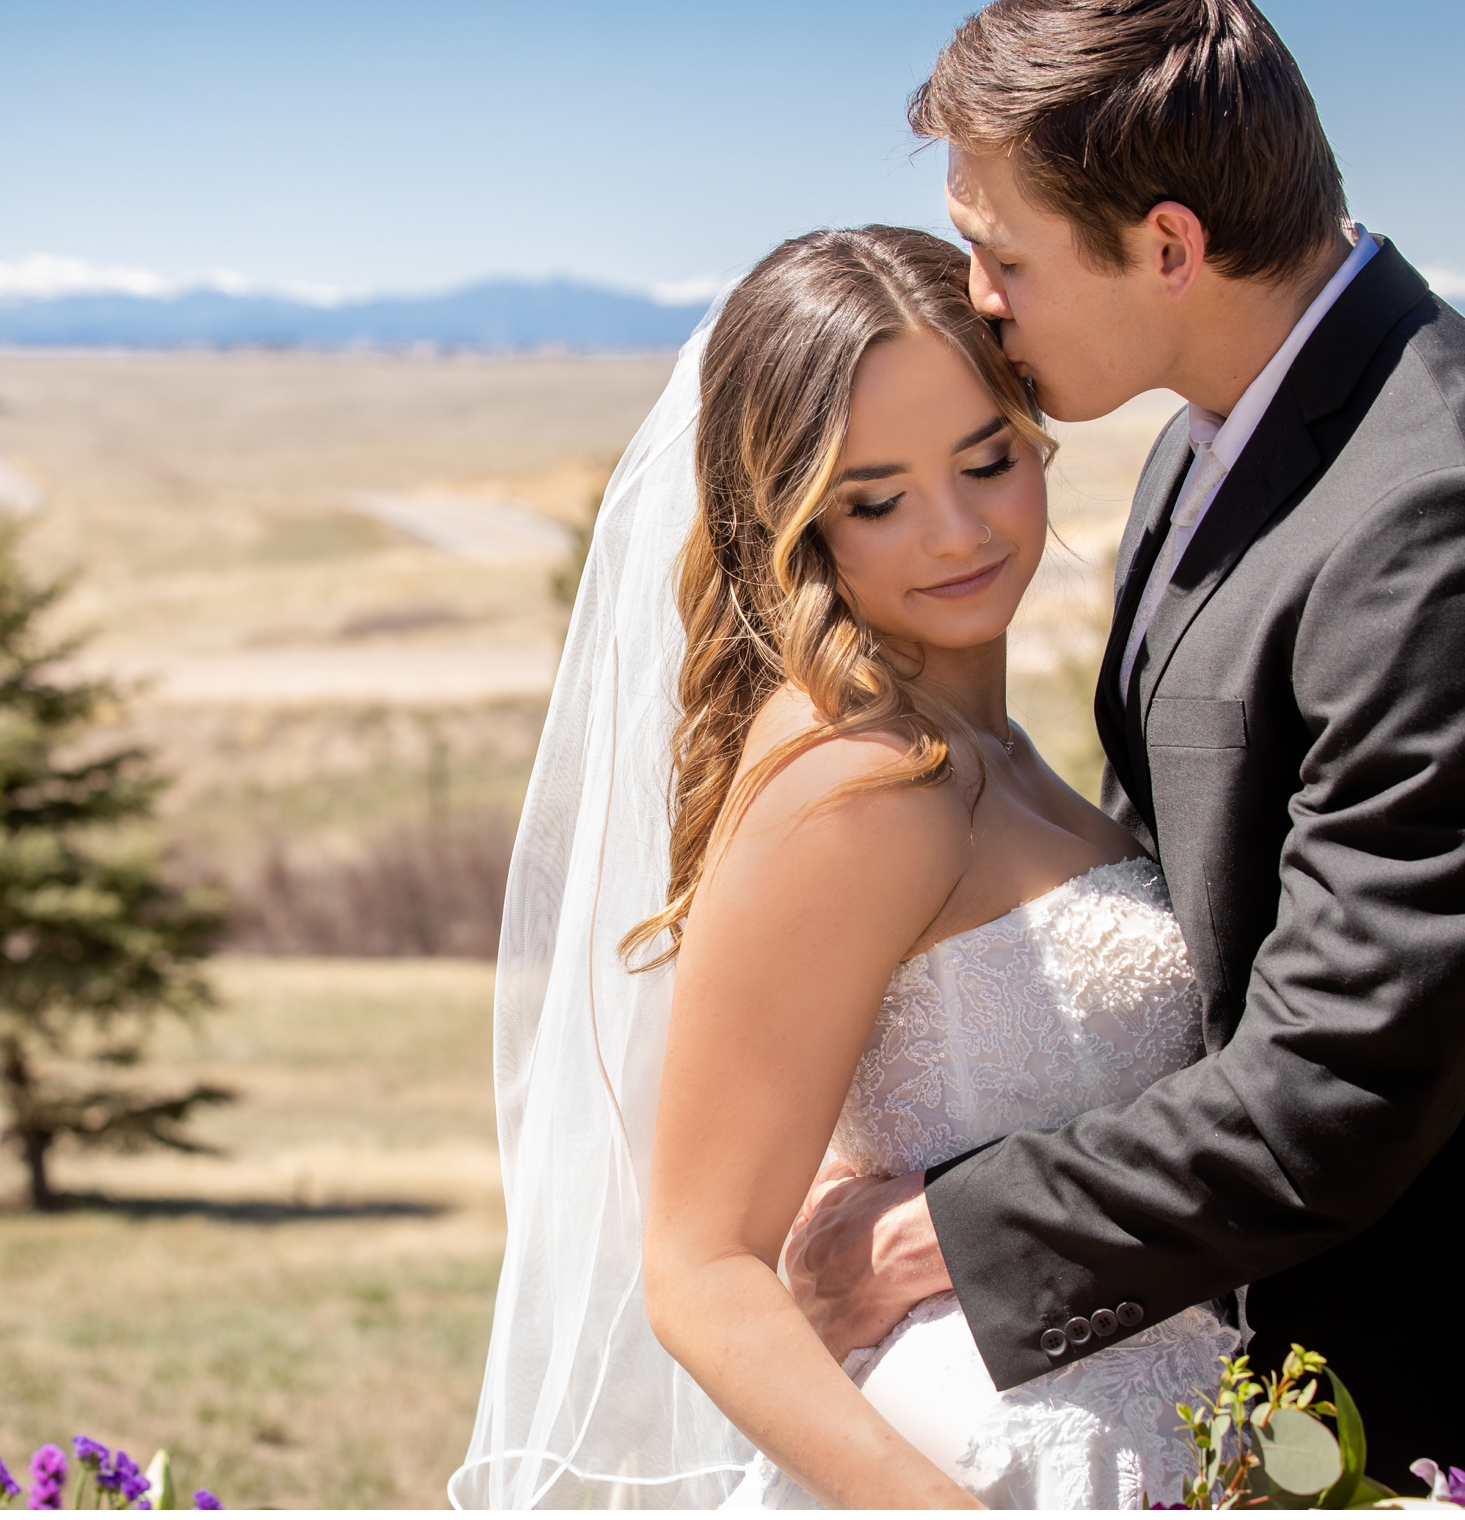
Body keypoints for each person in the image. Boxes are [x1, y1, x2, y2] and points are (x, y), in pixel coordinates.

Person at [780, 0, 1465, 1508]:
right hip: (1269, 1357)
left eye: (1001, 253)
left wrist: (924, 1235)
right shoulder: (1207, 445)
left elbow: (1336, 1082)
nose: (981, 299)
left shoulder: (1457, 522)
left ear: (1167, 243)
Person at [452, 224, 1237, 1510]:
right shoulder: (852, 779)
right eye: (874, 498)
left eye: (988, 459)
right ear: (793, 517)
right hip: (986, 1464)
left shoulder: (1000, 746)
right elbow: (701, 1271)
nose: (956, 531)